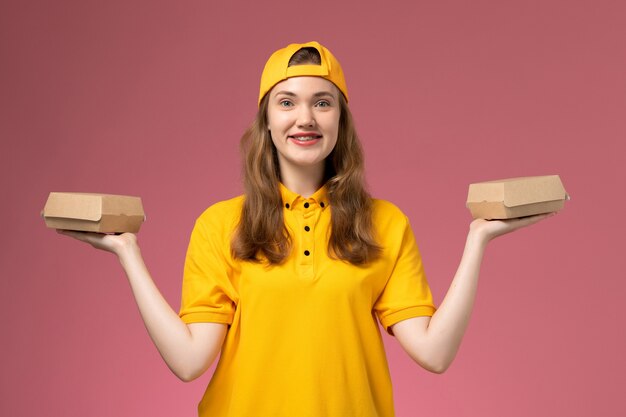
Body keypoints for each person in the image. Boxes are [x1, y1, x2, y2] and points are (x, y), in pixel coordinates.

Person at [59, 41, 554, 417]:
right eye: (286, 102)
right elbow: (189, 362)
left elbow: (435, 352)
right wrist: (130, 255)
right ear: (267, 121)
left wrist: (478, 240)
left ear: (340, 119)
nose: (305, 118)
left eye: (322, 102)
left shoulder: (385, 222)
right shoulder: (220, 224)